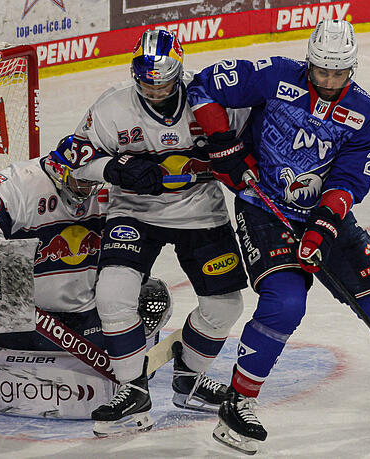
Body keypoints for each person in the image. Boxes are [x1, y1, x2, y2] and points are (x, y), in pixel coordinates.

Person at [186, 19, 370, 453]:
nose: (329, 81)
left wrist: (324, 227)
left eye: (338, 73)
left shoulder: (365, 116)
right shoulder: (274, 76)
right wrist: (223, 144)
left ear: (353, 68)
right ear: (309, 62)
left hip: (323, 215)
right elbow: (203, 86)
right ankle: (238, 402)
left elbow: (348, 179)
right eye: (321, 71)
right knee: (286, 302)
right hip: (263, 208)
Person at [69, 29, 252, 437]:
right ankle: (132, 390)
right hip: (134, 212)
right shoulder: (112, 107)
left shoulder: (211, 101)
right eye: (146, 81)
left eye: (163, 81)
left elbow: (251, 147)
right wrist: (113, 169)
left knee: (224, 308)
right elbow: (70, 158)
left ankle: (189, 379)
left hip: (200, 212)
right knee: (112, 294)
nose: (154, 89)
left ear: (180, 72)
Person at [0, 136, 171, 352]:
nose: (87, 190)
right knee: (36, 378)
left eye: (92, 181)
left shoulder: (110, 186)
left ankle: (130, 373)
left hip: (84, 308)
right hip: (23, 309)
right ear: (58, 169)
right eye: (79, 181)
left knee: (148, 294)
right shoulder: (20, 181)